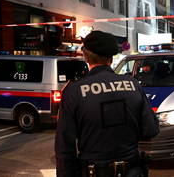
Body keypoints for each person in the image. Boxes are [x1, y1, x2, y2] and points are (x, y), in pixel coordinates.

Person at [55, 30, 159, 177]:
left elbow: (64, 148)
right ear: (111, 58)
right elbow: (150, 130)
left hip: (93, 171)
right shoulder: (133, 85)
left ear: (85, 56)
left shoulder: (73, 91)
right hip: (131, 170)